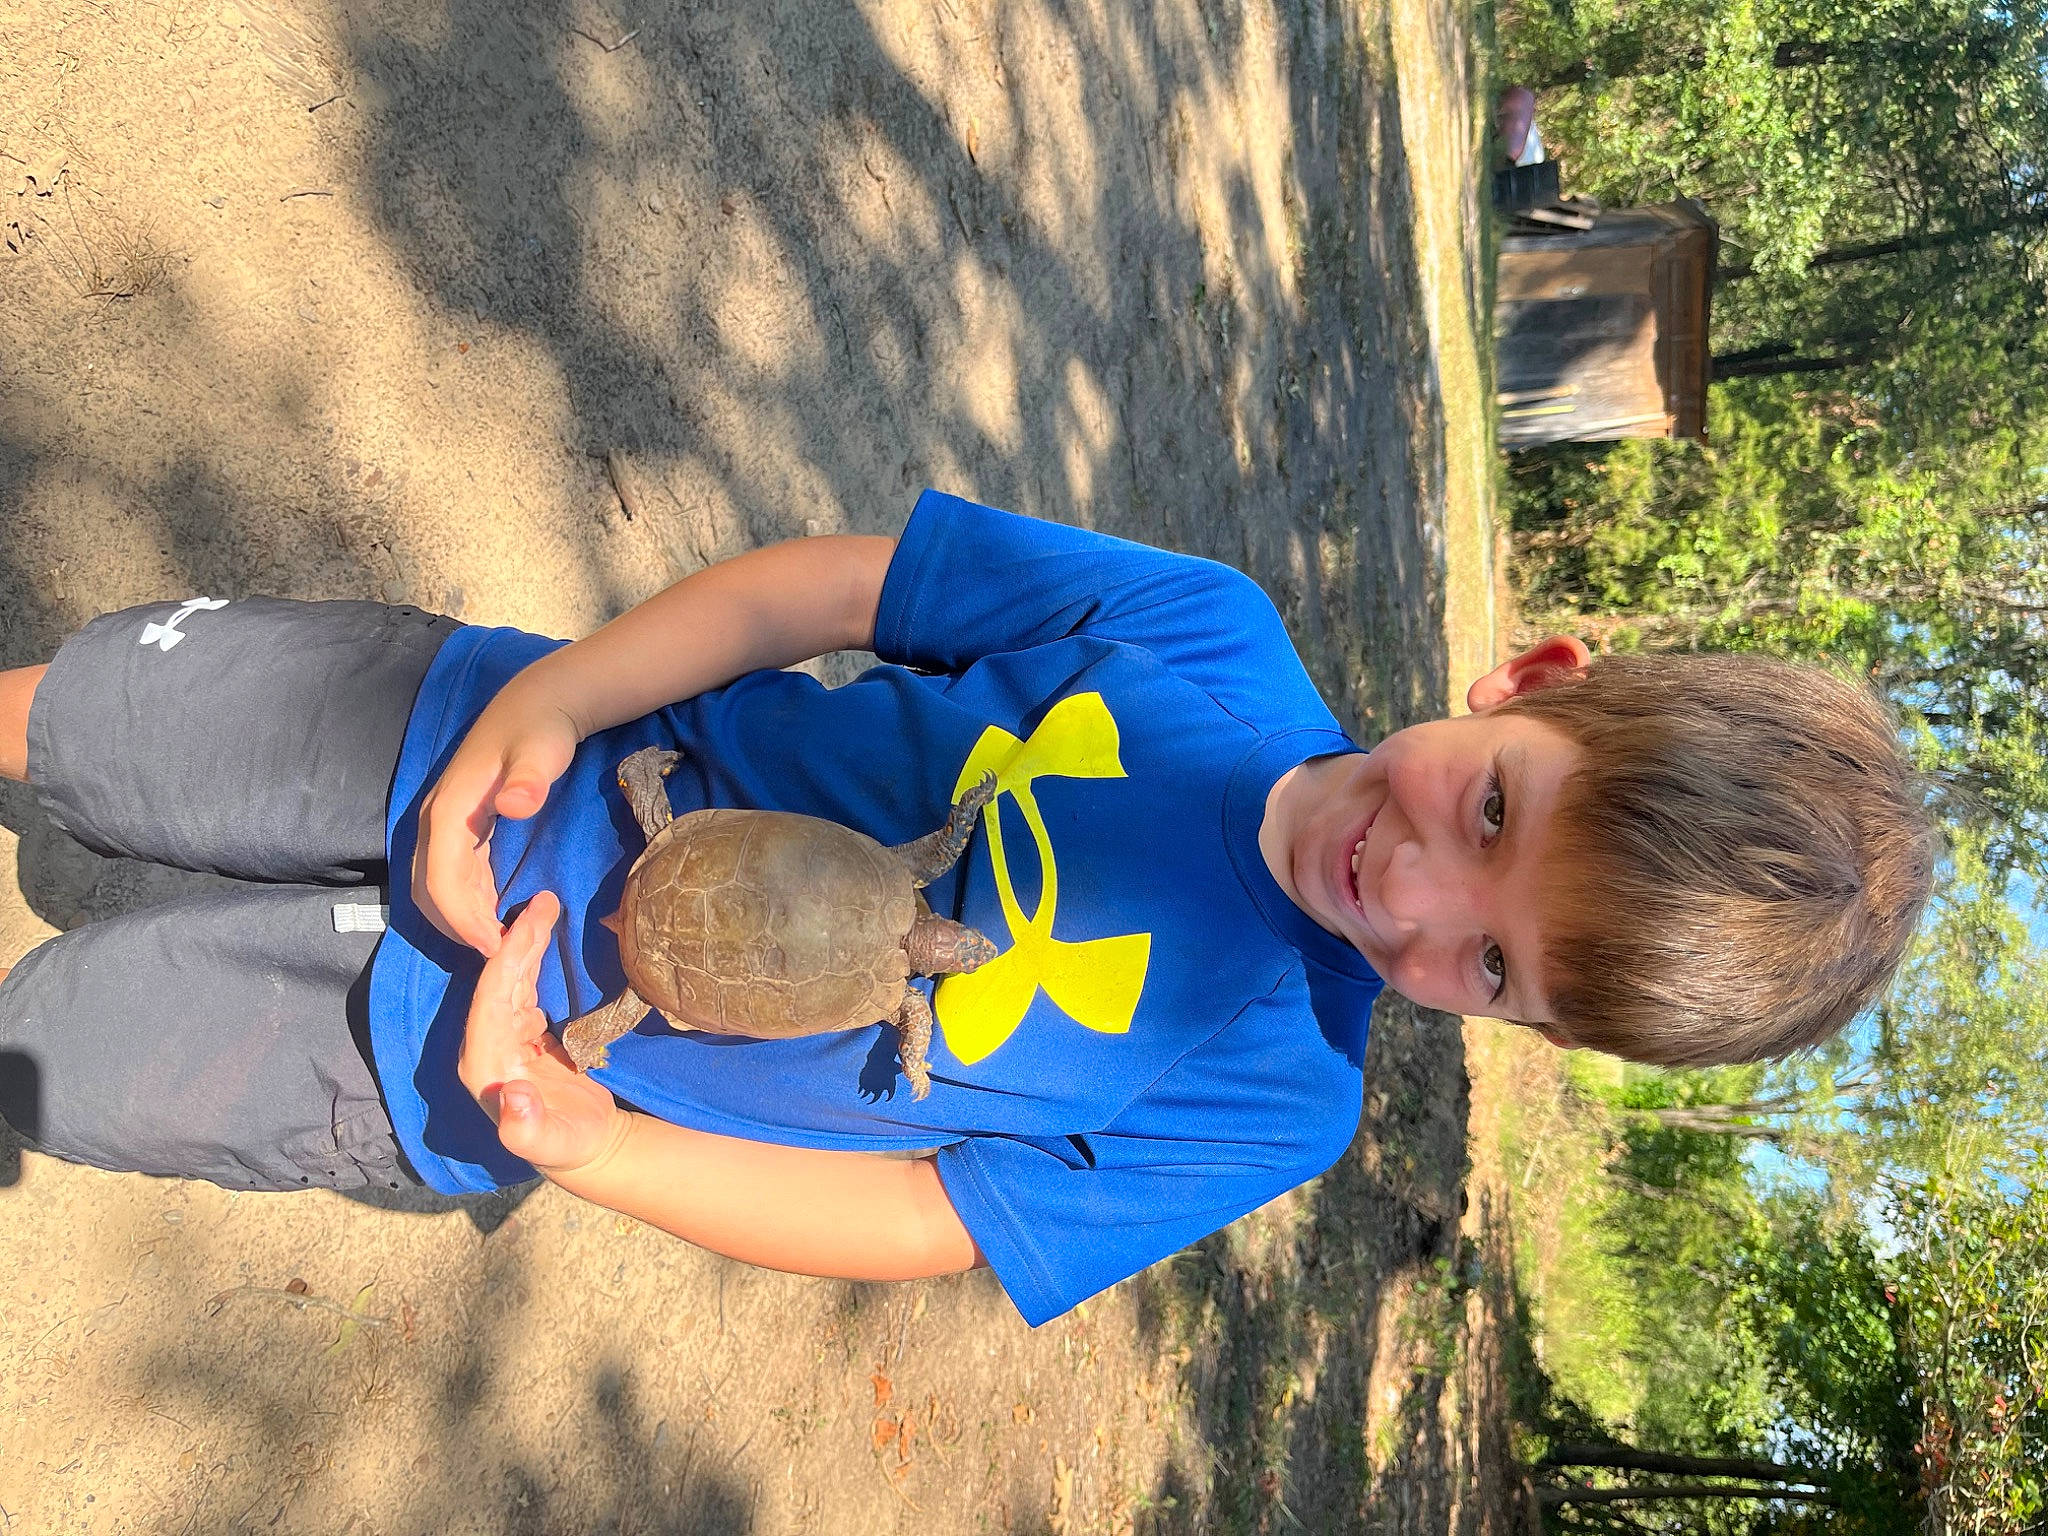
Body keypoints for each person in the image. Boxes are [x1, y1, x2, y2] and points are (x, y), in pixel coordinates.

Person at [0, 492, 1935, 1325]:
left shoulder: (1277, 1101)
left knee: (67, 1064)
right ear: (1525, 681)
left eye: (1491, 969)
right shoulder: (1201, 632)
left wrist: (588, 1147)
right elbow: (828, 595)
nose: (1417, 897)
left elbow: (930, 1221)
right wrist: (562, 699)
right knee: (101, 722)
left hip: (461, 1070)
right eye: (1492, 809)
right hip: (476, 744)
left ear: (1522, 1030)